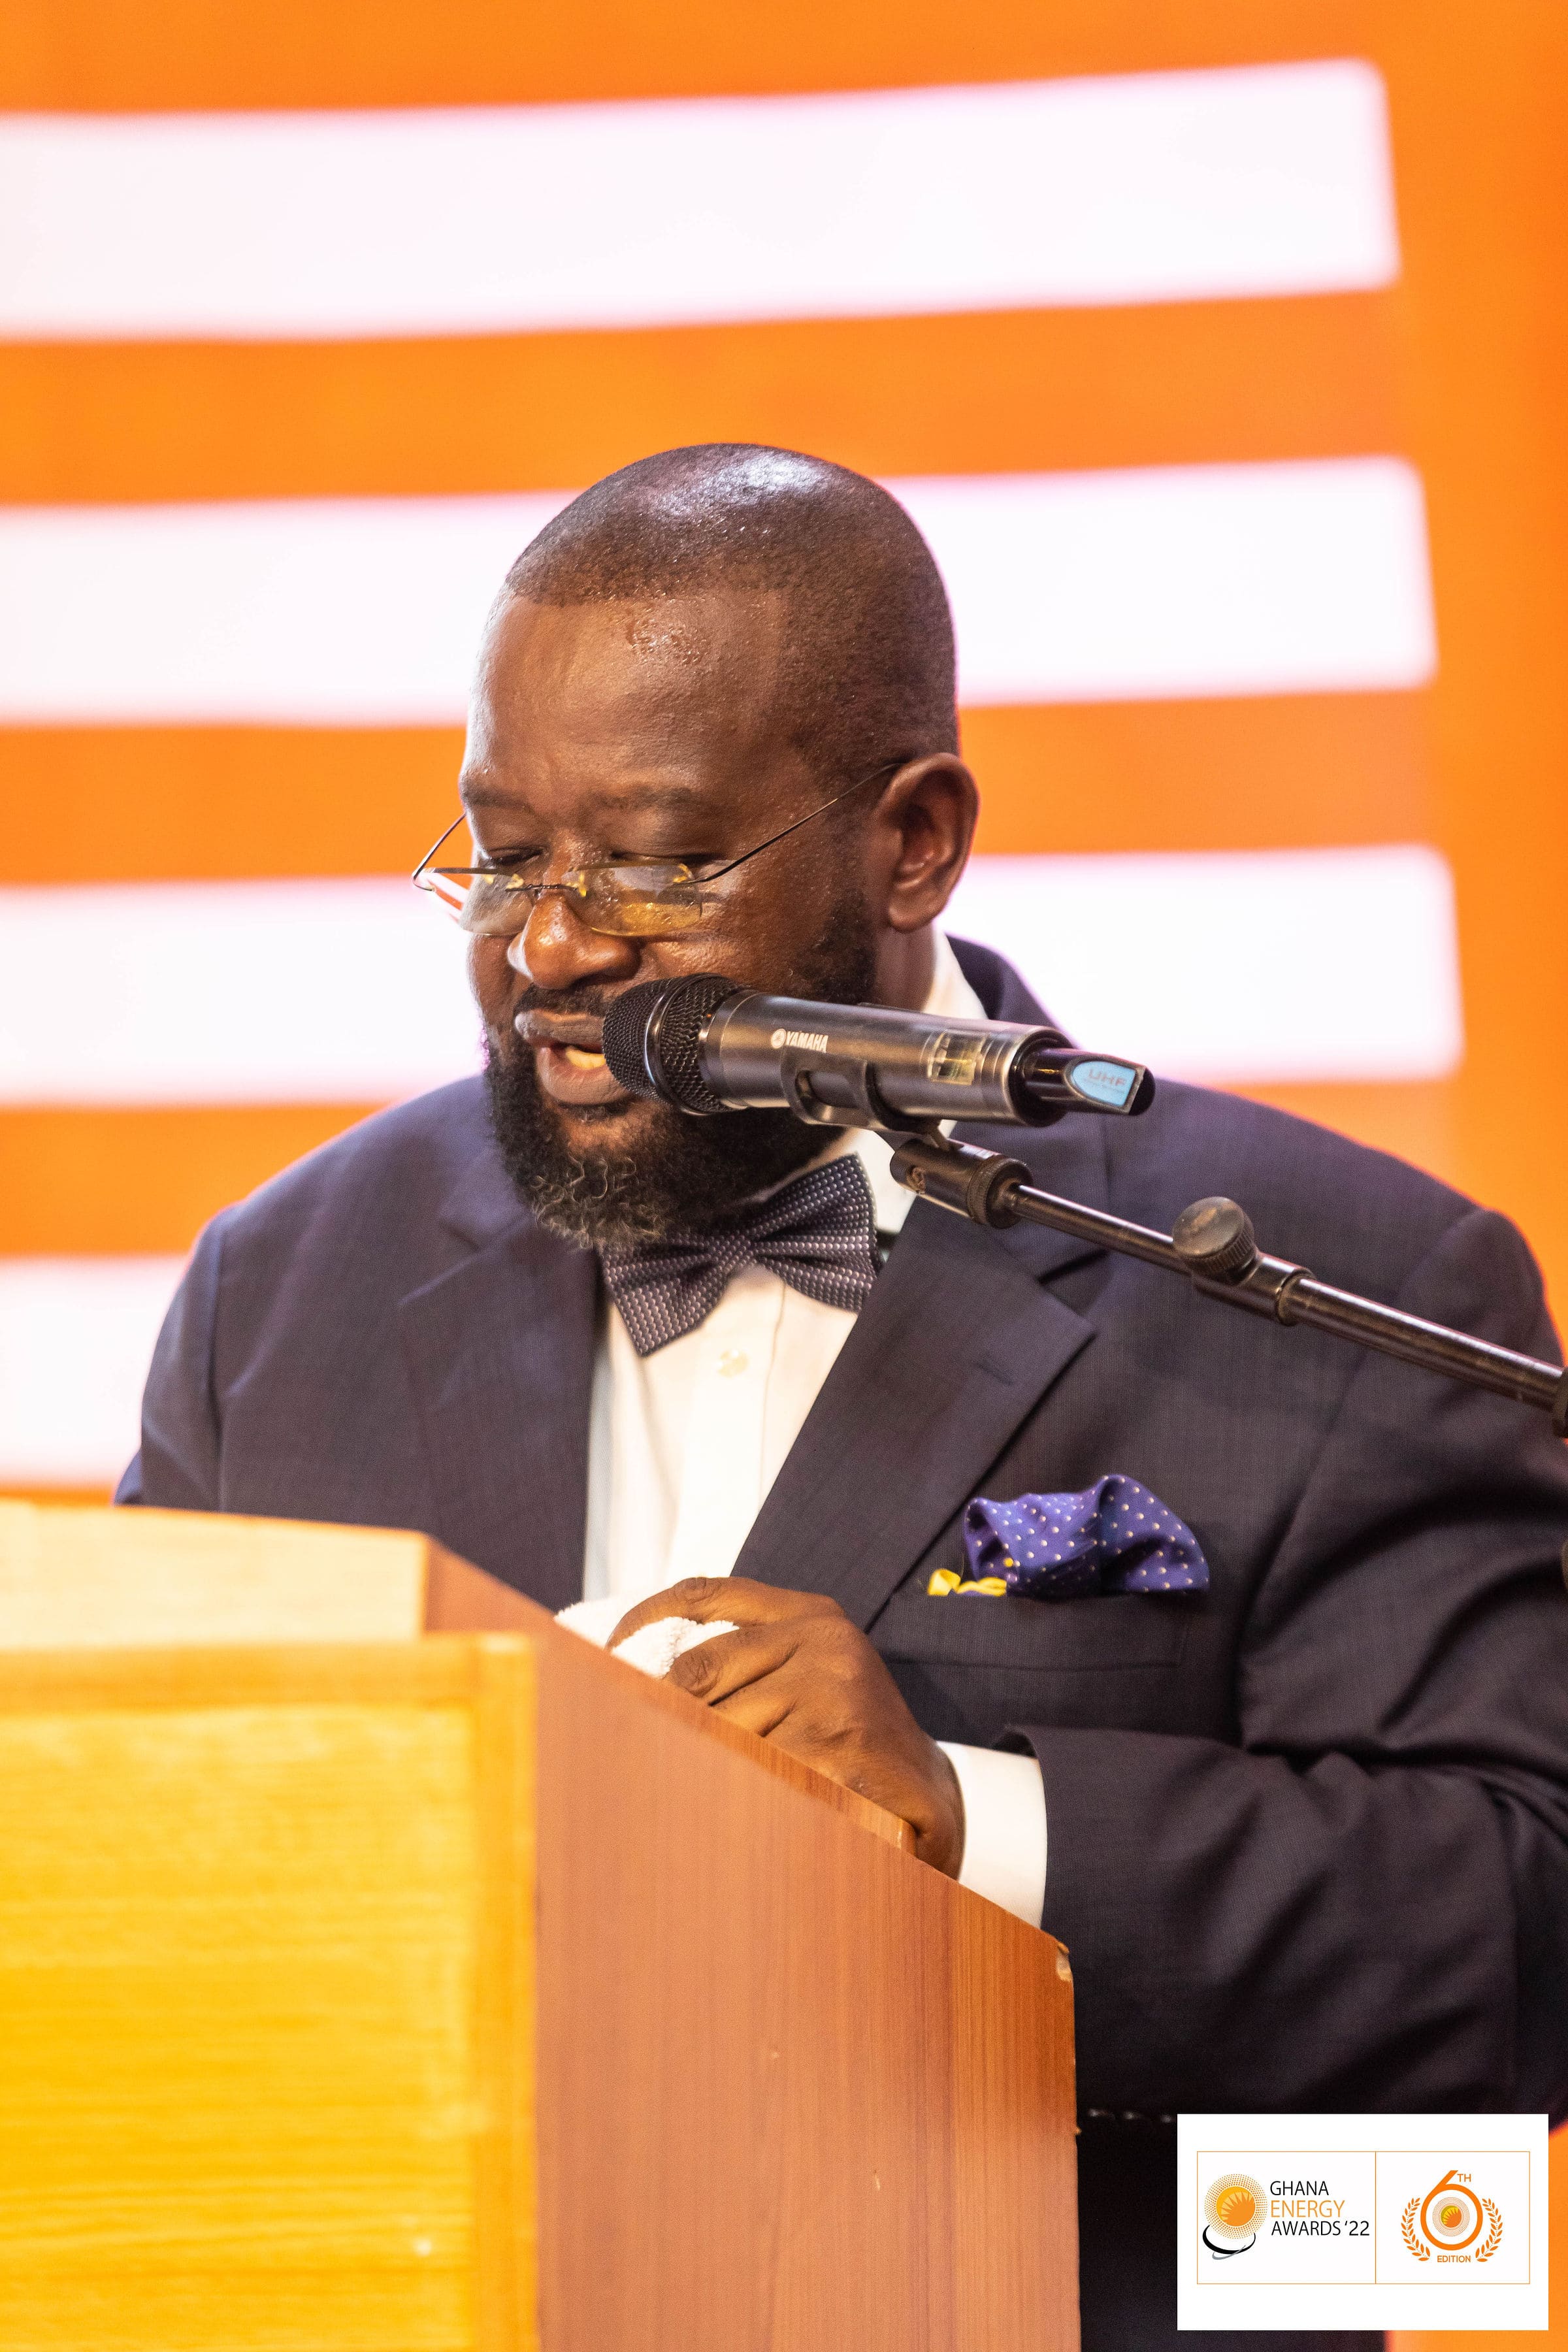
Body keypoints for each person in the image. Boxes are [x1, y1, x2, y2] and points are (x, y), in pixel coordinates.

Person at [120, 444, 1568, 2352]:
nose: (549, 946)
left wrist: (970, 1824)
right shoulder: (284, 1288)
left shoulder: (1331, 1281)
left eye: (656, 864)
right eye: (505, 855)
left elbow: (1519, 1939)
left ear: (915, 843)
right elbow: (134, 1899)